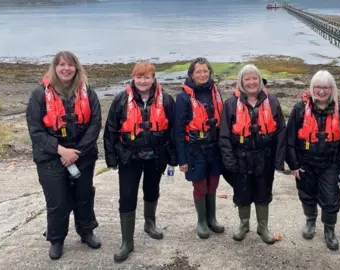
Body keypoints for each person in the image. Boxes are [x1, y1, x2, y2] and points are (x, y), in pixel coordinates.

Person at [25, 51, 101, 260]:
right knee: (57, 199)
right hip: (50, 157)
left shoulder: (89, 93)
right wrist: (61, 150)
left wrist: (76, 153)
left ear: (76, 68)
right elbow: (36, 131)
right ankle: (56, 239)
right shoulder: (39, 95)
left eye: (70, 65)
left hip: (82, 154)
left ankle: (86, 231)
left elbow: (95, 125)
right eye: (61, 65)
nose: (66, 69)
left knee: (84, 195)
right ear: (55, 68)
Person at [103, 62, 176, 262]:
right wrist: (111, 158)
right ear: (133, 79)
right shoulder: (120, 100)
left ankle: (149, 223)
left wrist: (174, 157)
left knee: (152, 190)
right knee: (127, 196)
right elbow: (110, 131)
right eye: (139, 77)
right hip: (129, 157)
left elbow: (174, 130)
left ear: (153, 79)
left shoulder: (167, 100)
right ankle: (127, 241)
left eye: (146, 77)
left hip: (157, 155)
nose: (142, 81)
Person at [219, 64, 286, 244]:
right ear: (241, 82)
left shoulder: (272, 101)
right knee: (242, 193)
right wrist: (229, 160)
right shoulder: (231, 104)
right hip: (241, 157)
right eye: (247, 79)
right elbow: (224, 136)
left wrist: (279, 160)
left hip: (265, 157)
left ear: (260, 80)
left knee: (263, 193)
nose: (251, 82)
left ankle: (263, 227)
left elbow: (281, 132)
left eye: (254, 78)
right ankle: (244, 224)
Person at [285, 70, 340, 250]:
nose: (322, 91)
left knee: (331, 198)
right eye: (318, 87)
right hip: (305, 161)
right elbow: (290, 138)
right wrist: (293, 164)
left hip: (330, 162)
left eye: (326, 88)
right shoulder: (300, 108)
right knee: (306, 193)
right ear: (312, 88)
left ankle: (329, 229)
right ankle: (310, 221)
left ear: (331, 89)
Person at [174, 57, 225, 239]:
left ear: (210, 72)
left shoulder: (215, 92)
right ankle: (201, 221)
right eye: (198, 72)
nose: (203, 75)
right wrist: (181, 159)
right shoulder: (183, 97)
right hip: (194, 149)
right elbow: (178, 130)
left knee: (213, 184)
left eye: (205, 71)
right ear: (191, 74)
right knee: (200, 185)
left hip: (215, 148)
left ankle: (212, 218)